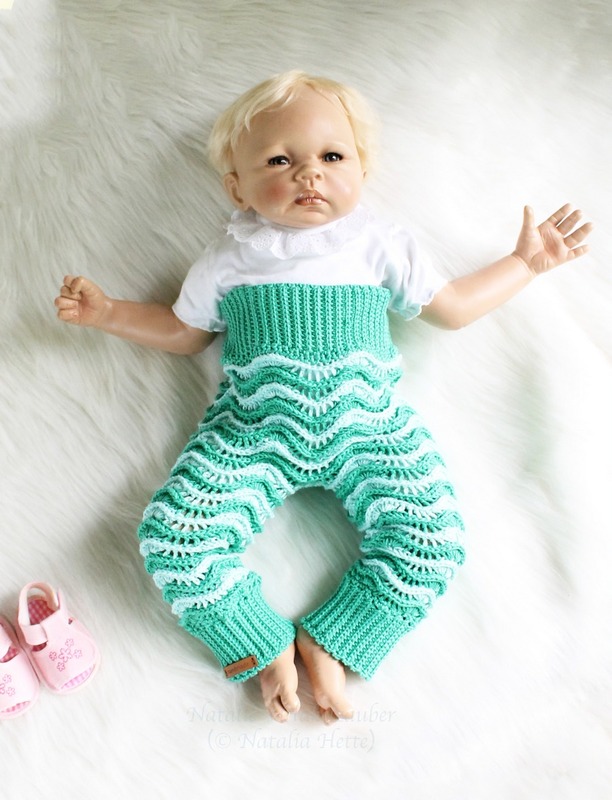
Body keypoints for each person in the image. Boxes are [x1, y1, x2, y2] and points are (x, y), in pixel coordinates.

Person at [55, 70, 592, 725]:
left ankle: (334, 640)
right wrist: (109, 312)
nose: (309, 173)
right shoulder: (229, 257)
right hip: (253, 433)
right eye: (280, 161)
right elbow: (184, 332)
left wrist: (525, 264)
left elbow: (451, 308)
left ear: (362, 170)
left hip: (370, 430)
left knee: (432, 538)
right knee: (175, 539)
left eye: (332, 156)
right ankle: (260, 644)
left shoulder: (379, 244)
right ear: (237, 187)